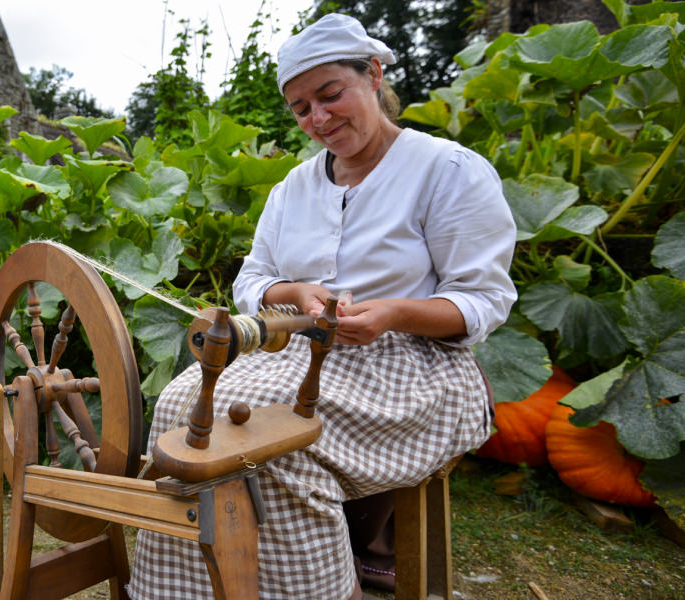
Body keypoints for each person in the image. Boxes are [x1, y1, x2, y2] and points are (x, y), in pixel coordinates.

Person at [129, 13, 516, 600]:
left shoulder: (447, 171)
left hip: (412, 372)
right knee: (183, 410)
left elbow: (484, 299)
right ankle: (205, 588)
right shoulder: (293, 189)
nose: (319, 118)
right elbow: (253, 280)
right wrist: (294, 294)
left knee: (272, 445)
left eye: (331, 95)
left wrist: (392, 312)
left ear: (374, 75)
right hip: (295, 358)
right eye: (301, 108)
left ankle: (324, 590)